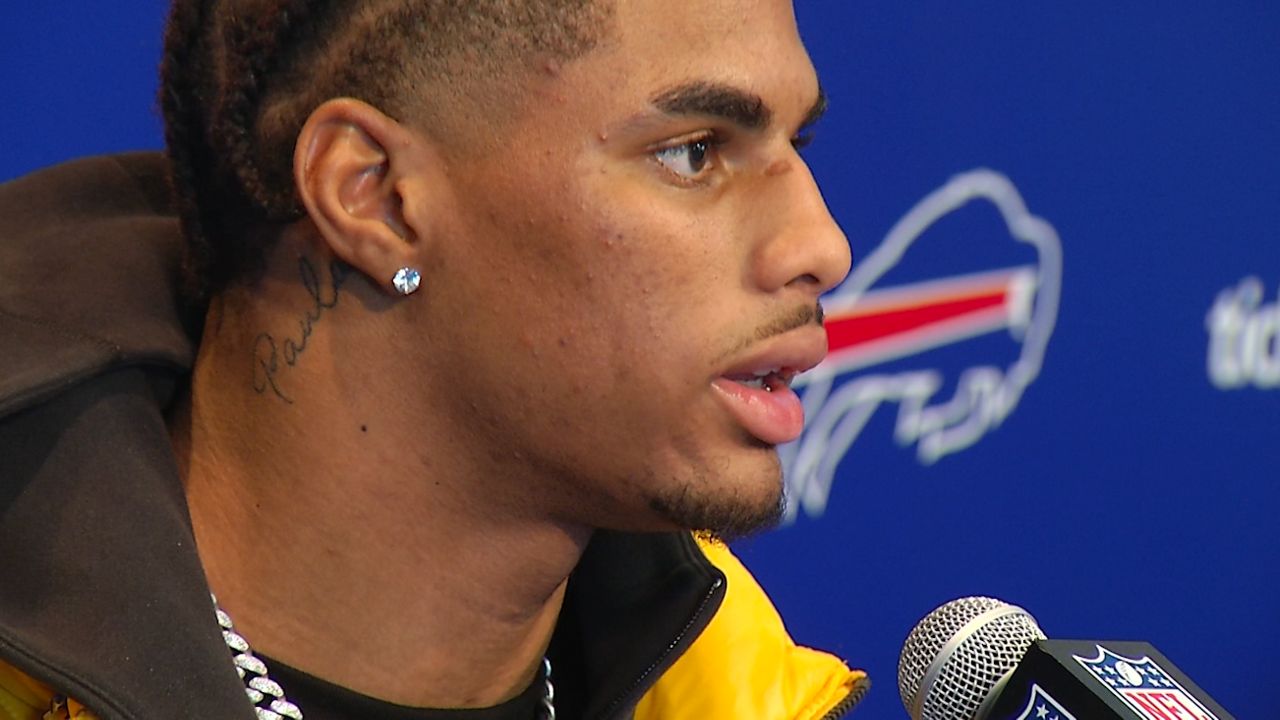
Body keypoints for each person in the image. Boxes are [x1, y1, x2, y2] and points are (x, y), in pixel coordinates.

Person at [0, 0, 866, 717]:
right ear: (374, 198)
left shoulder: (743, 696)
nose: (823, 247)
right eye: (694, 152)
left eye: (801, 146)